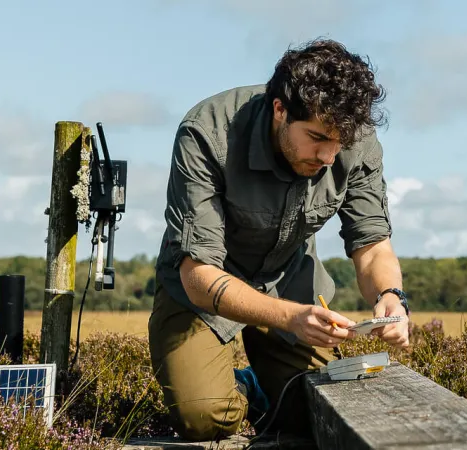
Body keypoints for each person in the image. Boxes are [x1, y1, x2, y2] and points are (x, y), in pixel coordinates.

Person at [148, 38, 412, 441]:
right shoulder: (205, 132)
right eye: (317, 138)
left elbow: (372, 245)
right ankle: (245, 387)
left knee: (315, 410)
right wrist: (290, 317)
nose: (328, 156)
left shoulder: (354, 141)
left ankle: (268, 384)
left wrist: (390, 296)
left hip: (290, 280)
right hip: (201, 289)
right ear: (279, 110)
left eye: (339, 142)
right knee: (203, 417)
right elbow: (198, 275)